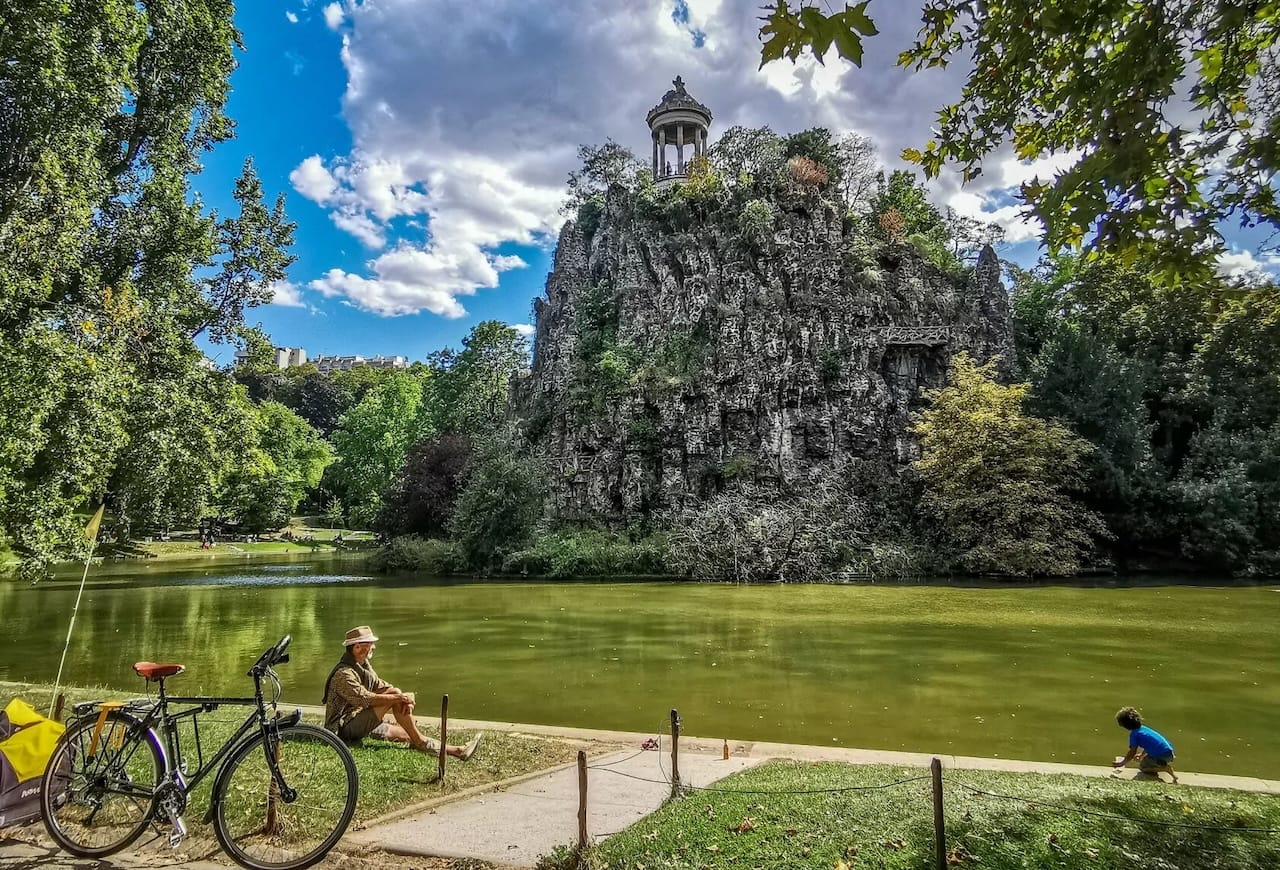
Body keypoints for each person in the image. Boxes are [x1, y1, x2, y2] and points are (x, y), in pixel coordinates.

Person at [322, 625, 482, 759]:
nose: (373, 647)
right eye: (370, 643)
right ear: (357, 648)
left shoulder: (362, 666)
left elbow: (382, 685)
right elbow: (365, 699)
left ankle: (457, 751)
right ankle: (421, 744)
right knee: (396, 699)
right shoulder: (343, 674)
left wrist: (402, 697)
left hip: (357, 719)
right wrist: (400, 698)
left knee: (408, 733)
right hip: (342, 729)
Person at [1112, 706, 1178, 783]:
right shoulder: (1144, 729)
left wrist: (1122, 763)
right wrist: (1141, 755)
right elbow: (1150, 745)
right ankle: (1163, 767)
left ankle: (1165, 768)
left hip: (1162, 756)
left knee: (1143, 767)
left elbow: (1132, 752)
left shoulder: (1134, 735)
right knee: (1144, 761)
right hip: (1168, 752)